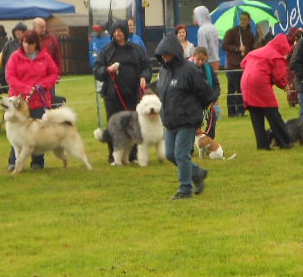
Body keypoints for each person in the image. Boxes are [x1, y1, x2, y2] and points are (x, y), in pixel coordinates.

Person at [155, 34, 216, 199]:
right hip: (170, 121)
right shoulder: (164, 72)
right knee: (170, 154)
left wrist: (197, 110)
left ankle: (185, 189)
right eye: (162, 54)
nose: (164, 56)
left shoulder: (190, 70)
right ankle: (197, 173)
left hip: (187, 121)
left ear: (174, 52)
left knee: (181, 155)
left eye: (166, 53)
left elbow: (206, 92)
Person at [94, 19, 152, 160]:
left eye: (120, 31)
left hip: (133, 94)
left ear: (126, 32)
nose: (117, 33)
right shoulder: (106, 50)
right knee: (114, 125)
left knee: (133, 124)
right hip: (113, 95)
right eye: (115, 31)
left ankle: (132, 155)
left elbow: (146, 67)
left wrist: (144, 77)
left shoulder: (136, 49)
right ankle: (114, 155)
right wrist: (107, 69)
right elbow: (97, 70)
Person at [6, 29, 60, 171]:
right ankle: (14, 161)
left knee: (37, 133)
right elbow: (10, 77)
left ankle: (37, 162)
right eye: (25, 42)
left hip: (38, 100)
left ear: (36, 44)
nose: (27, 46)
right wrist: (25, 88)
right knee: (16, 133)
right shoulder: (15, 57)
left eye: (30, 43)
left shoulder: (45, 57)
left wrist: (42, 85)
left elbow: (54, 74)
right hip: (18, 102)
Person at [240, 33, 294, 150]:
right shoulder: (277, 56)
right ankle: (285, 142)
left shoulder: (255, 52)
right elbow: (279, 77)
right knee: (273, 113)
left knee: (256, 115)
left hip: (246, 83)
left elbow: (243, 64)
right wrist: (285, 86)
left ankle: (262, 144)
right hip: (260, 84)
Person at [221, 11, 254, 116]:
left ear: (249, 21)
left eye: (245, 19)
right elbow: (224, 45)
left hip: (244, 65)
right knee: (232, 89)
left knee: (242, 88)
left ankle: (241, 110)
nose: (242, 21)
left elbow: (252, 48)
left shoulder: (250, 34)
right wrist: (237, 48)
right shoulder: (232, 32)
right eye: (241, 19)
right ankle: (232, 112)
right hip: (232, 65)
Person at [192, 46, 222, 139]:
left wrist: (214, 97)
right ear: (193, 56)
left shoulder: (209, 68)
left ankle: (209, 142)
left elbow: (216, 84)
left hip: (209, 102)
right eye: (198, 59)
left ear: (207, 58)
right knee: (195, 125)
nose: (200, 62)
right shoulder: (189, 69)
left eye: (203, 60)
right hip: (194, 103)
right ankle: (191, 145)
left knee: (212, 122)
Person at [193, 5, 220, 76]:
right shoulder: (213, 27)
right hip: (216, 60)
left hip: (207, 62)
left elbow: (202, 50)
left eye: (195, 15)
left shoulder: (202, 30)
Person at [0, 22, 27, 87]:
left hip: (26, 76)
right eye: (16, 31)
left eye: (19, 31)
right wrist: (1, 75)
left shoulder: (30, 44)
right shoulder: (9, 44)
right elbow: (2, 60)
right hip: (12, 75)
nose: (17, 32)